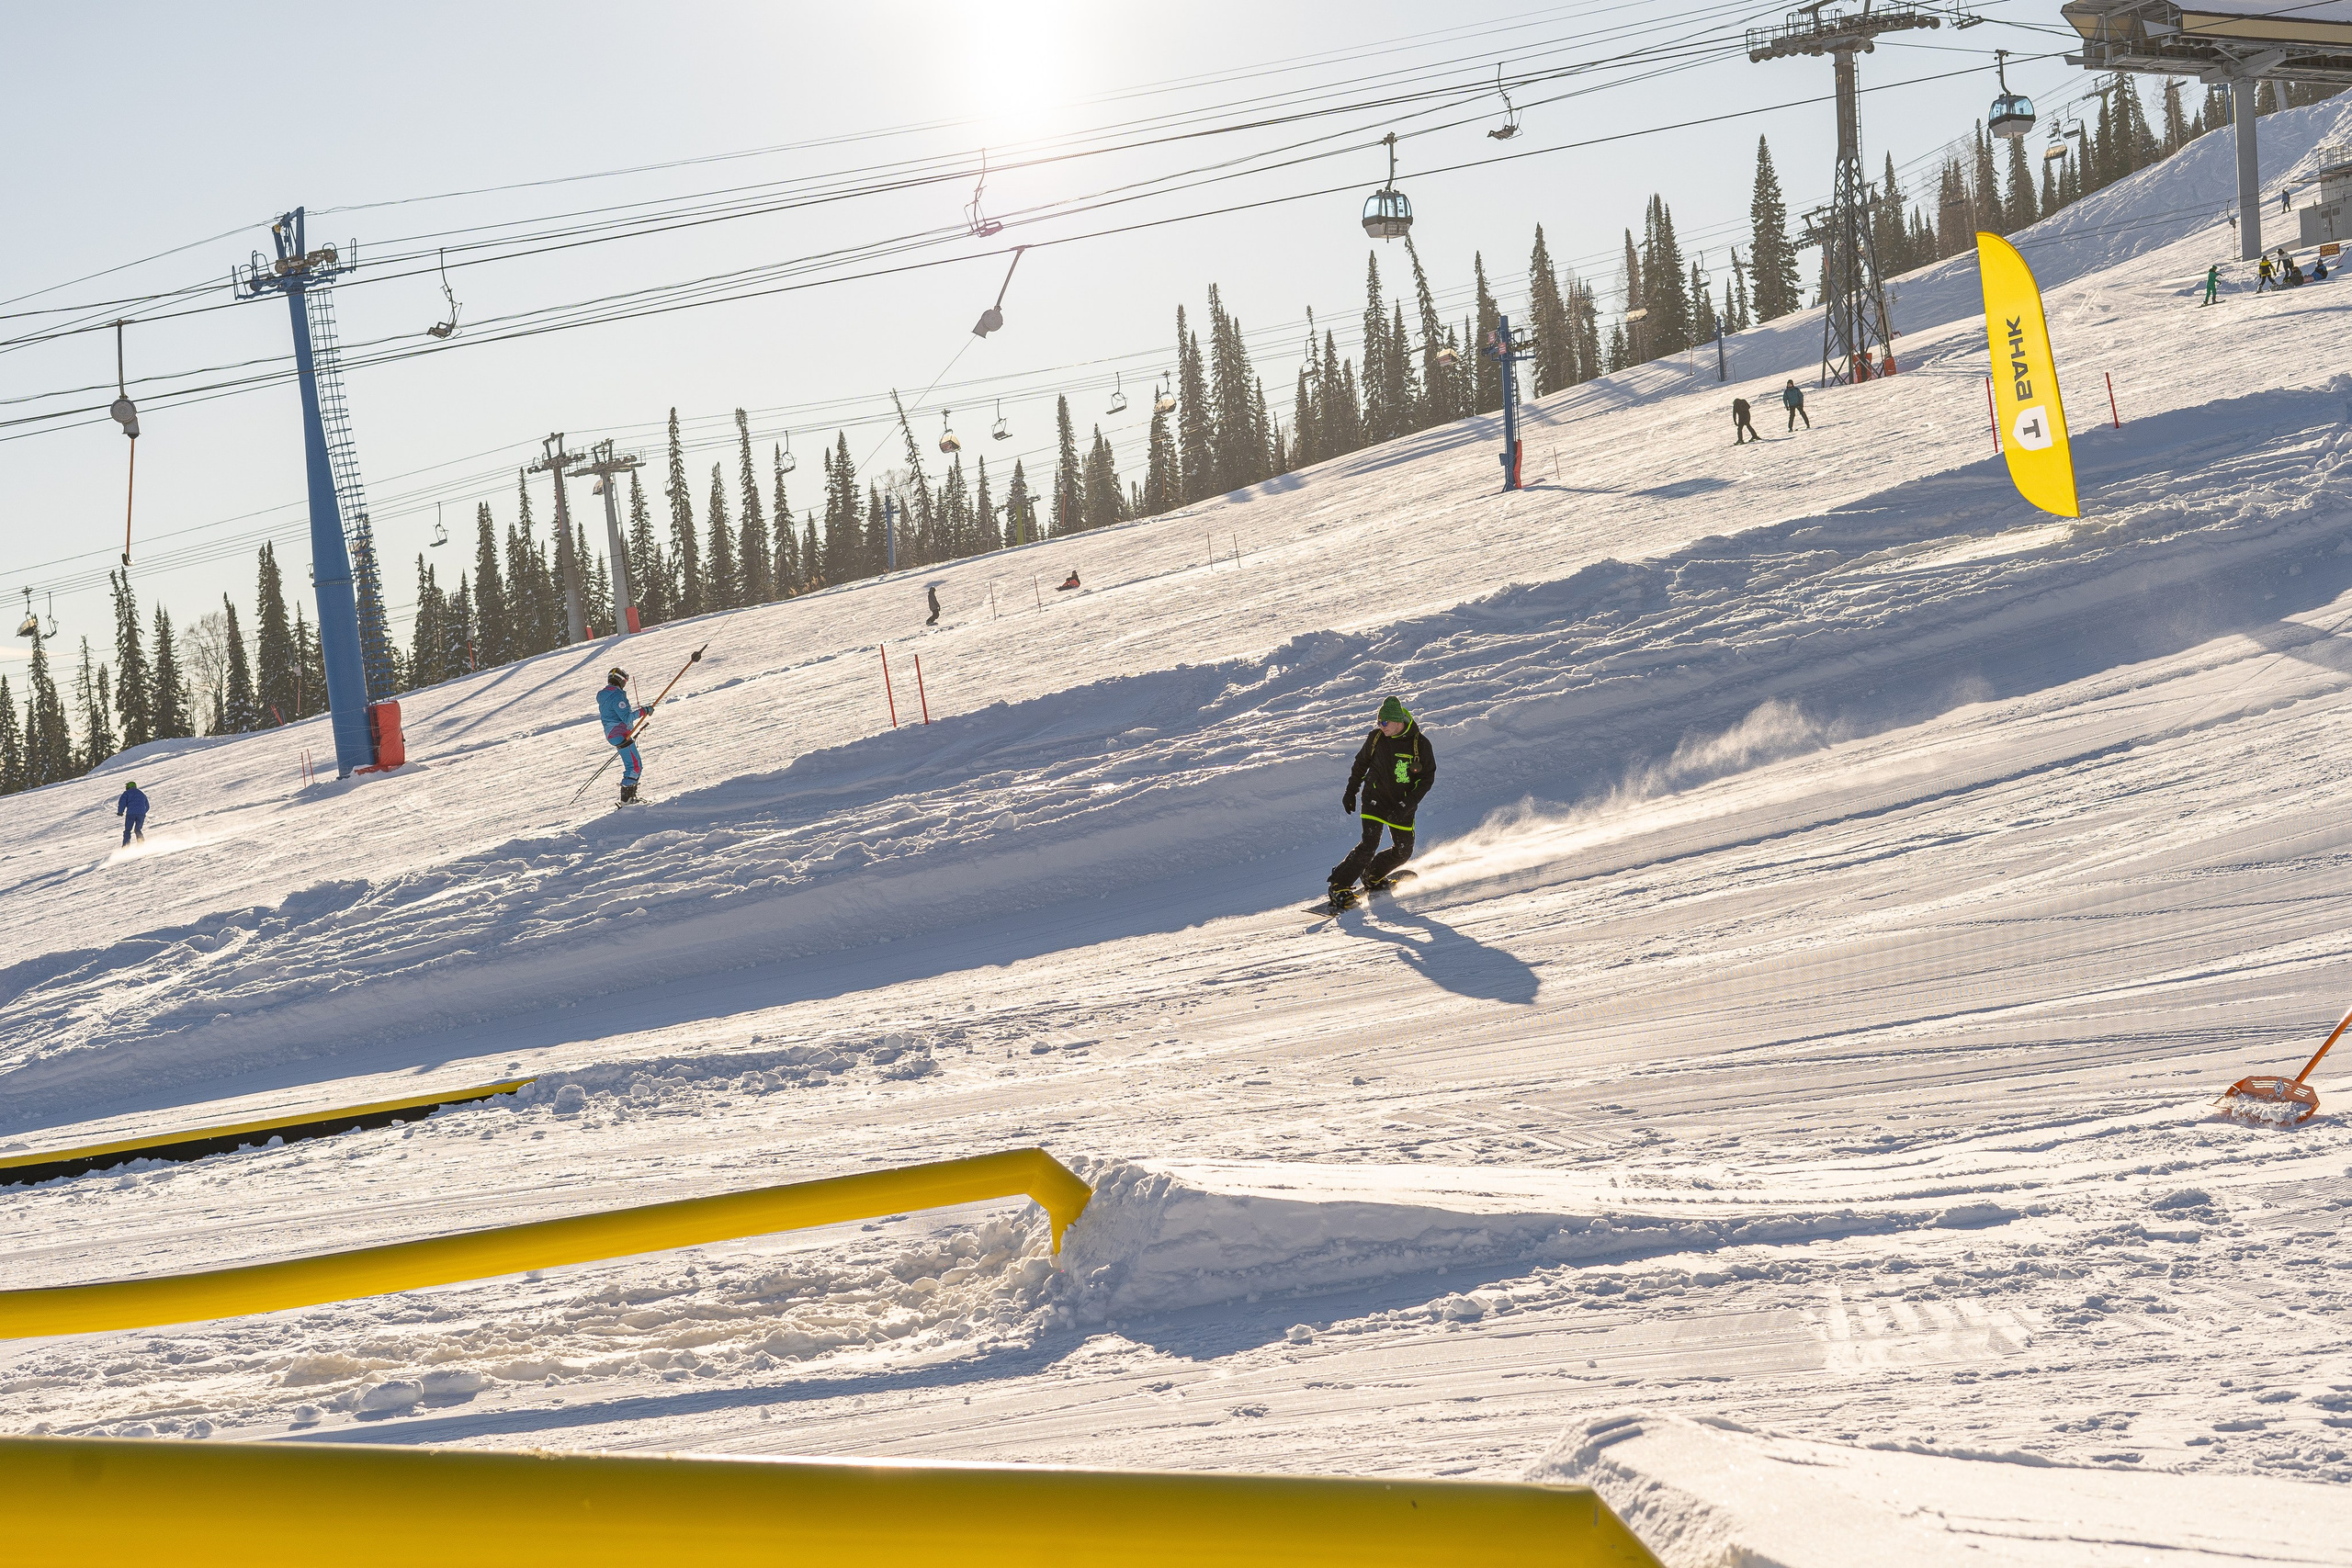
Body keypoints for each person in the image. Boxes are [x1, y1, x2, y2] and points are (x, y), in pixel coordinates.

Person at [1330, 697, 1436, 901]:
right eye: (1379, 722)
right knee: (1369, 845)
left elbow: (1426, 778)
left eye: (1385, 722)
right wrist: (1351, 791)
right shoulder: (1376, 738)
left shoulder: (1419, 744)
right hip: (1374, 800)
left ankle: (1372, 874)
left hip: (1401, 805)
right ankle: (1339, 885)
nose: (1381, 726)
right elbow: (1360, 764)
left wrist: (1407, 804)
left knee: (1403, 851)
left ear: (1398, 722)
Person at [597, 666, 650, 805]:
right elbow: (626, 717)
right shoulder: (617, 696)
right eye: (625, 682)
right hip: (620, 733)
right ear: (621, 681)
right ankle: (627, 800)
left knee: (633, 764)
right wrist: (643, 711)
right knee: (634, 766)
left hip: (613, 734)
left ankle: (628, 799)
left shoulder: (604, 696)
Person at [116, 780, 148, 846]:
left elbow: (122, 803)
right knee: (137, 829)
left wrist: (120, 812)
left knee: (128, 830)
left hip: (131, 814)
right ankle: (141, 844)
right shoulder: (141, 793)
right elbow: (147, 805)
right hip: (141, 814)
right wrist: (143, 812)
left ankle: (126, 846)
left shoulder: (127, 793)